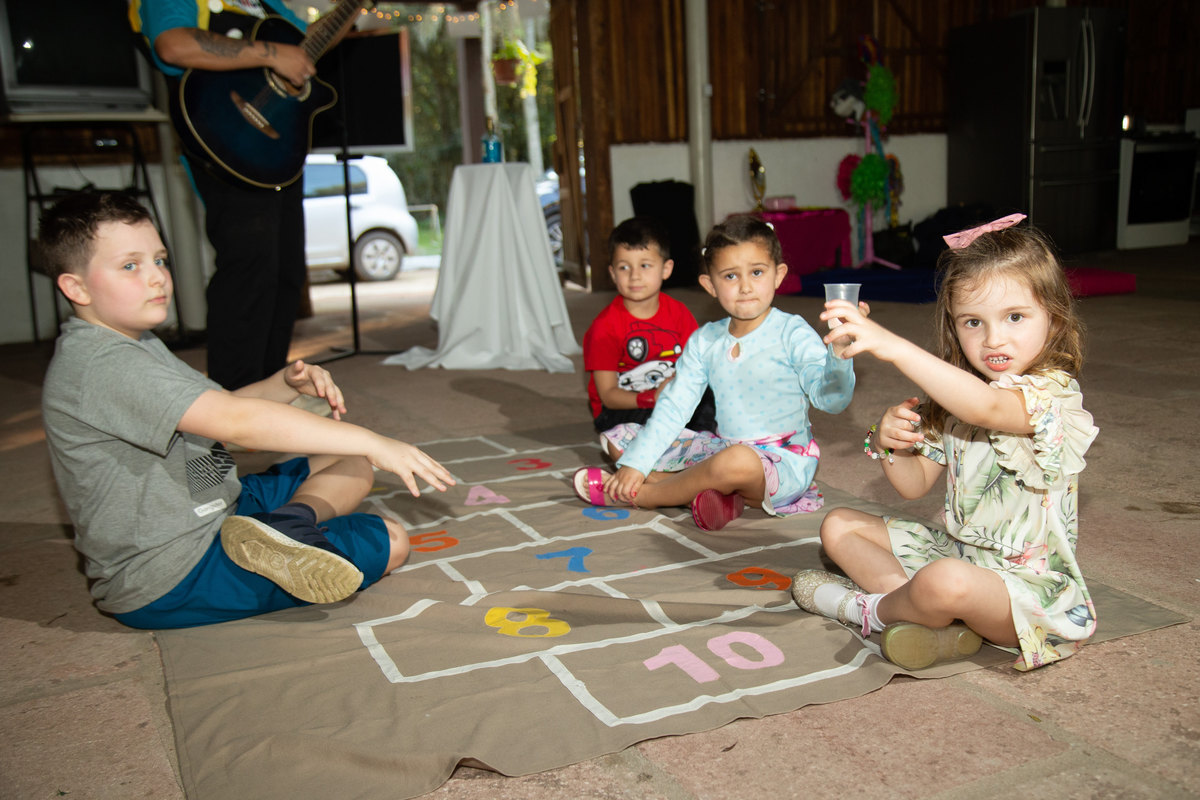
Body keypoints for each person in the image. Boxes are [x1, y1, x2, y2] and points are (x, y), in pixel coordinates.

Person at [36, 191, 455, 629]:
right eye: (130, 266)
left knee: (349, 461)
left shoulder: (134, 343)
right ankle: (278, 535)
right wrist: (375, 440)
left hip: (217, 506)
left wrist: (283, 384)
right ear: (75, 287)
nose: (157, 278)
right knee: (391, 539)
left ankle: (288, 523)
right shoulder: (102, 364)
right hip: (173, 572)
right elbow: (238, 425)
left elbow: (224, 411)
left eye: (159, 260)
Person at [792, 214, 1099, 672]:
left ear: (1053, 319)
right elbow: (914, 486)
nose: (994, 338)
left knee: (946, 581)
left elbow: (988, 410)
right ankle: (925, 620)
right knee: (838, 525)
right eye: (973, 322)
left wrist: (891, 345)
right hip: (959, 554)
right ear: (954, 327)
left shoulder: (1050, 395)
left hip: (1027, 592)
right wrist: (890, 444)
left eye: (1015, 317)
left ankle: (865, 611)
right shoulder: (956, 396)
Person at [573, 214, 857, 532]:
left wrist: (840, 357)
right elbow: (674, 406)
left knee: (733, 462)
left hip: (781, 462)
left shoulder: (792, 332)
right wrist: (636, 463)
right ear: (710, 285)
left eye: (757, 272)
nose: (746, 286)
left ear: (778, 276)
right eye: (731, 276)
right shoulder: (705, 339)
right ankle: (719, 495)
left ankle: (647, 495)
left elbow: (831, 400)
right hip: (722, 449)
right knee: (621, 440)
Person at [130, 0, 343, 390]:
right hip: (226, 139)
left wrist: (352, 9)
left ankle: (267, 395)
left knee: (285, 276)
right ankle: (233, 405)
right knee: (249, 270)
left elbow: (308, 44)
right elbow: (172, 45)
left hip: (280, 147)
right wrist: (274, 54)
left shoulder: (266, 3)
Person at [583, 217, 716, 448]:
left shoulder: (679, 314)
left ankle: (698, 446)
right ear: (613, 273)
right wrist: (651, 397)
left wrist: (680, 391)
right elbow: (608, 395)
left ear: (666, 269)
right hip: (623, 407)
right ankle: (665, 451)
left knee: (709, 395)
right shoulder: (604, 327)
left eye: (645, 265)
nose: (634, 275)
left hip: (670, 400)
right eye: (624, 267)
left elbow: (696, 368)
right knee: (635, 430)